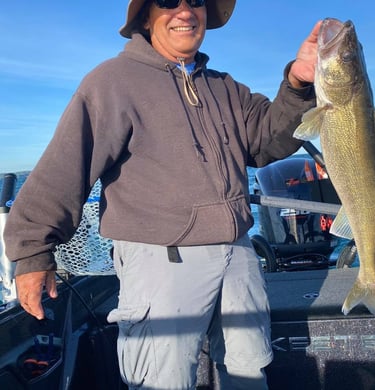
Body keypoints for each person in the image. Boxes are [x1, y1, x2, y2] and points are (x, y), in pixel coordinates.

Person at [4, 0, 321, 388]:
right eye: (169, 1)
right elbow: (66, 166)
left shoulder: (226, 87)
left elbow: (268, 142)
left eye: (198, 1)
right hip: (161, 261)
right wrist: (33, 251)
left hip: (238, 255)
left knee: (248, 370)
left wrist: (299, 83)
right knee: (162, 380)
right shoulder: (111, 81)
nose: (185, 11)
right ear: (146, 15)